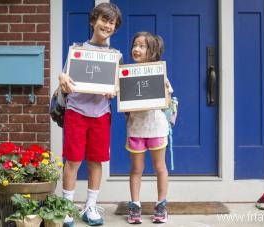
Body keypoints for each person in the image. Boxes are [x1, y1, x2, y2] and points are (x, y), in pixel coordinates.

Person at [58, 3, 122, 226]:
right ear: (93, 21)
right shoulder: (77, 50)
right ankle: (66, 206)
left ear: (115, 28)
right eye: (103, 20)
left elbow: (119, 87)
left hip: (101, 114)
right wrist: (62, 78)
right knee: (73, 160)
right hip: (76, 112)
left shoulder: (116, 56)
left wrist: (115, 89)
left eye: (111, 22)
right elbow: (66, 82)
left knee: (96, 160)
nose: (107, 25)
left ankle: (90, 206)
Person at [126, 32, 173, 224]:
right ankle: (135, 205)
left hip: (156, 128)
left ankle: (161, 205)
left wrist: (160, 93)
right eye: (135, 45)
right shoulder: (126, 75)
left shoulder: (159, 74)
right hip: (136, 129)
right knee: (136, 169)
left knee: (159, 167)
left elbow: (167, 101)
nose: (136, 49)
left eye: (142, 46)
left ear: (152, 51)